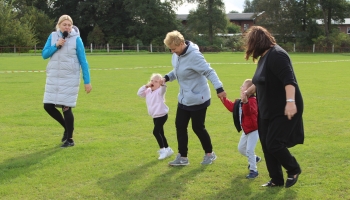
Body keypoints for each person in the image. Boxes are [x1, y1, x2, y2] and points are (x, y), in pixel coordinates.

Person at [243, 26, 304, 188]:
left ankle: (293, 169)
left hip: (283, 108)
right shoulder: (264, 57)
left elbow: (289, 81)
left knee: (274, 143)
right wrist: (249, 91)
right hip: (266, 109)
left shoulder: (277, 55)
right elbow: (261, 80)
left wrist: (290, 102)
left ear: (257, 42)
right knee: (266, 145)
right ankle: (276, 180)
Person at [161, 30, 226, 166]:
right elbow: (178, 71)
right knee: (180, 125)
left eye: (174, 49)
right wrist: (166, 78)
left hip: (198, 98)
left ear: (181, 43)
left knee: (197, 127)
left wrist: (219, 88)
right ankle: (183, 157)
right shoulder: (176, 55)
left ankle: (210, 154)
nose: (172, 52)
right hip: (184, 98)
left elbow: (209, 71)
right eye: (170, 49)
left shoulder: (195, 56)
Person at [42, 14, 92, 148]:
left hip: (70, 78)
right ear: (59, 25)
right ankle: (67, 127)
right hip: (54, 77)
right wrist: (56, 45)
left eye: (69, 25)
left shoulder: (77, 40)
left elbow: (83, 61)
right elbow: (44, 54)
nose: (67, 27)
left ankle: (70, 139)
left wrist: (87, 81)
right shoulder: (52, 37)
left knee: (66, 107)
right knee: (48, 106)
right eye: (64, 24)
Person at [221, 79, 262, 179]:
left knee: (249, 150)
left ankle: (254, 170)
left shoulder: (253, 101)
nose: (241, 87)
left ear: (248, 90)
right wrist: (223, 99)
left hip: (254, 129)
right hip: (246, 129)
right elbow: (232, 108)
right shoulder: (240, 102)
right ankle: (255, 158)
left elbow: (248, 113)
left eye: (242, 86)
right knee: (241, 149)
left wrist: (246, 102)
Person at [137, 73, 174, 160]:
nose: (153, 82)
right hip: (155, 116)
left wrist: (163, 84)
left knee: (156, 132)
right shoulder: (148, 91)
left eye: (156, 81)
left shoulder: (159, 91)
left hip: (162, 115)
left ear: (160, 83)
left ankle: (162, 150)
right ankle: (168, 149)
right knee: (161, 133)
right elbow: (139, 93)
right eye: (152, 81)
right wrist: (146, 86)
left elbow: (163, 89)